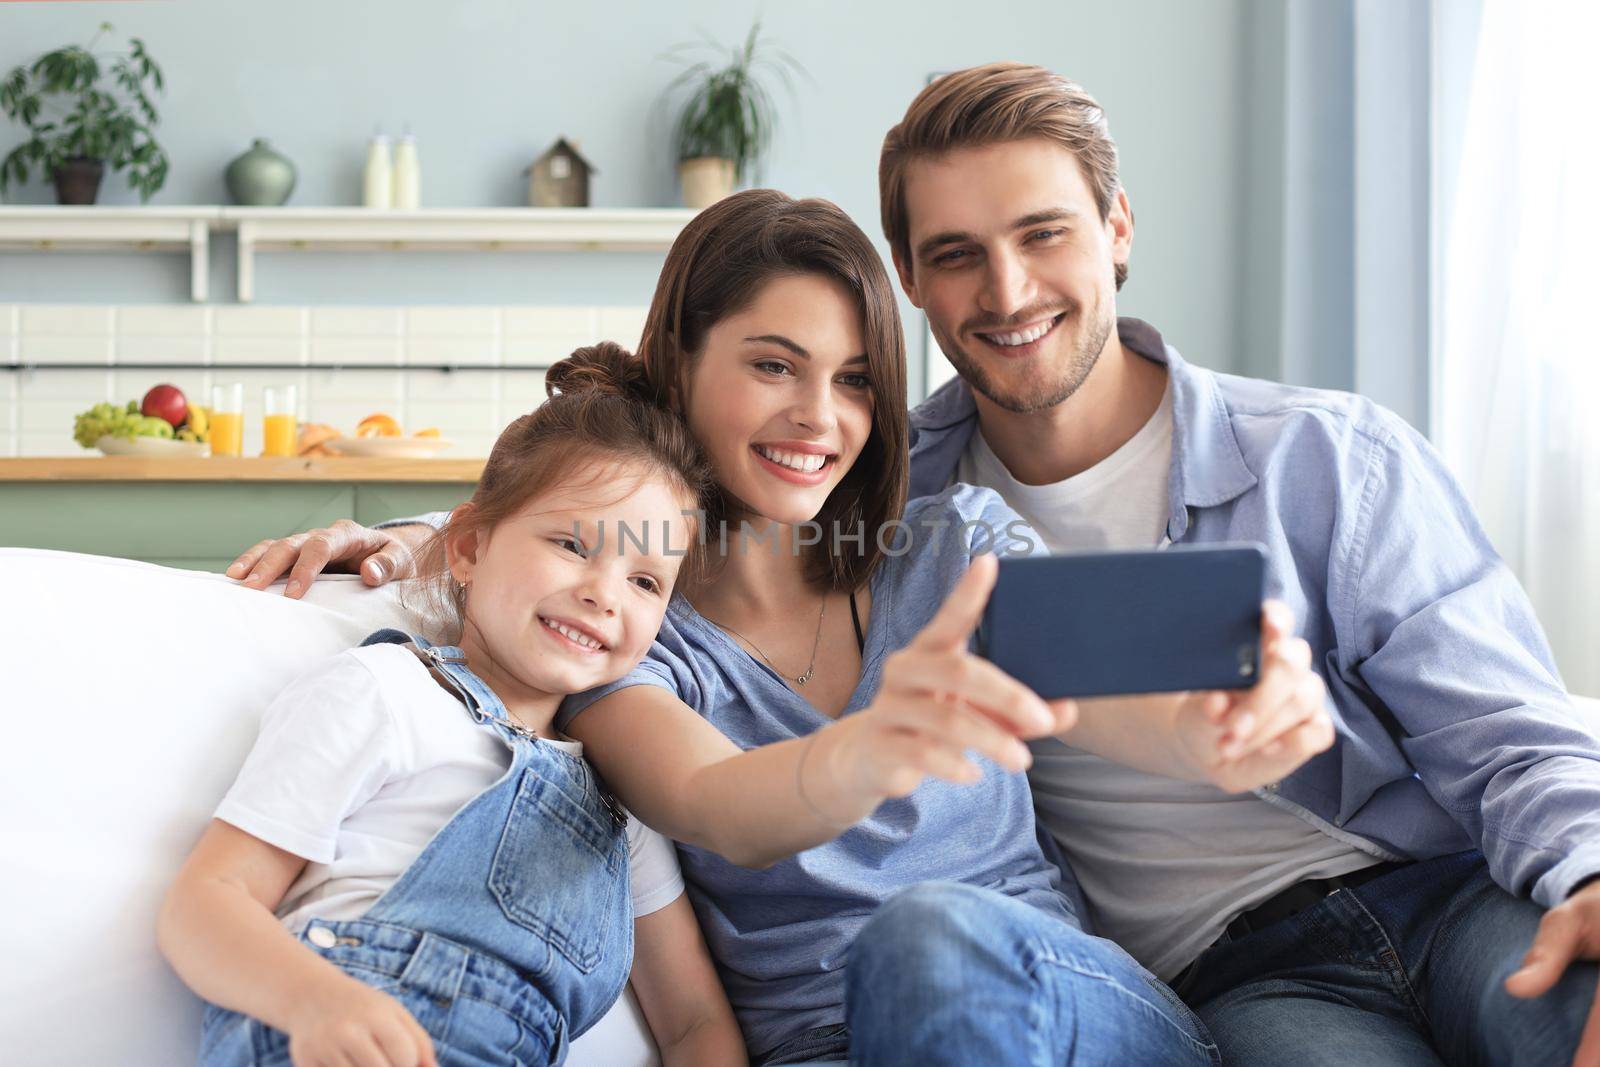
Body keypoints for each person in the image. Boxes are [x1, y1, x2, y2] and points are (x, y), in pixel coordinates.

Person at [222, 189, 1334, 1066]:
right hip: (819, 1043)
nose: (820, 417)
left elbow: (1104, 698)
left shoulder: (948, 552)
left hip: (1062, 1017)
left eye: (855, 380)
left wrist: (1218, 727)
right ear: (680, 365)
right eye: (772, 366)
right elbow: (721, 805)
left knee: (932, 935)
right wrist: (873, 742)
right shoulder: (628, 637)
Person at [875, 62, 1600, 1066]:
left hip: (1448, 891)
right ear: (909, 277)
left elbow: (1504, 726)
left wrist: (1590, 870)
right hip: (1244, 977)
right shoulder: (889, 514)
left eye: (1043, 233)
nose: (1006, 291)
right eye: (956, 254)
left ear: (1116, 227)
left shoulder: (1327, 455)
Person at [158, 348, 748, 1067]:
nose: (605, 592)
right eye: (572, 544)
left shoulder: (620, 806)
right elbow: (205, 902)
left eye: (647, 581)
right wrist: (316, 1001)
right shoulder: (383, 691)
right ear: (467, 545)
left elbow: (694, 1022)